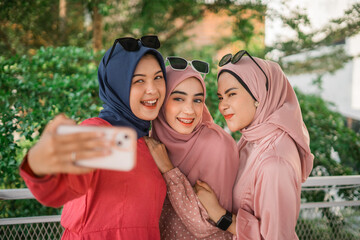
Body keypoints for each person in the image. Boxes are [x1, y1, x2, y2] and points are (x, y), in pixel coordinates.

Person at [19, 36, 168, 239]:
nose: (152, 89)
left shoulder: (150, 141)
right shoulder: (99, 133)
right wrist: (38, 163)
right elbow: (60, 187)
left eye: (158, 77)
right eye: (138, 80)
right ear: (117, 85)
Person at [194, 50, 314, 240]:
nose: (222, 106)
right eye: (220, 97)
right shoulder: (252, 140)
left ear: (258, 95)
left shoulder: (275, 161)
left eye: (231, 94)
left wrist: (219, 214)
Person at [144, 57, 239, 239]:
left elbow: (209, 229)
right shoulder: (151, 141)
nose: (189, 110)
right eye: (178, 98)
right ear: (162, 101)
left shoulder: (217, 145)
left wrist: (168, 170)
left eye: (197, 100)